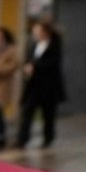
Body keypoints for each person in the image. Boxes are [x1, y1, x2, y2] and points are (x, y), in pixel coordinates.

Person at [15, 18, 65, 149]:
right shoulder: (33, 45)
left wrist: (34, 66)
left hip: (49, 86)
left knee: (48, 114)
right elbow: (28, 60)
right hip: (33, 85)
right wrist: (28, 67)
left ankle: (48, 138)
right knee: (27, 111)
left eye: (38, 30)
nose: (36, 33)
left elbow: (53, 63)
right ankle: (22, 139)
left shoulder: (55, 45)